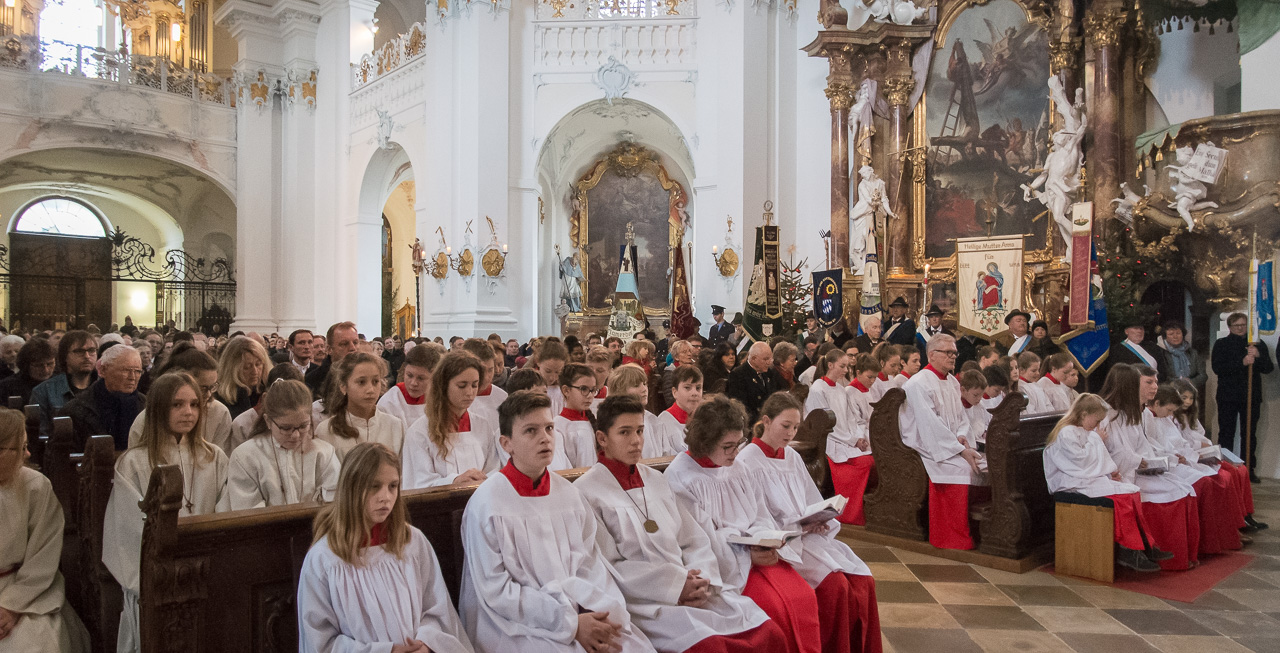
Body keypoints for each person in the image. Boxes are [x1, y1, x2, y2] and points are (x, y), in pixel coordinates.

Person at [576, 395, 787, 652]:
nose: (636, 440)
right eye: (625, 432)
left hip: (692, 590)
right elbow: (611, 566)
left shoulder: (656, 480)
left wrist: (701, 578)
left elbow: (693, 539)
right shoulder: (586, 492)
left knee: (768, 631)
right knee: (712, 646)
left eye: (640, 430)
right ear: (602, 438)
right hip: (648, 602)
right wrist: (676, 586)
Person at [459, 390, 655, 652]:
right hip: (516, 624)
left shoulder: (569, 494)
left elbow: (590, 563)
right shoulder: (487, 504)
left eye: (549, 428)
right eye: (531, 431)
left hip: (579, 612)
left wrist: (599, 613)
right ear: (506, 443)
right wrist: (569, 623)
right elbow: (496, 591)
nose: (545, 438)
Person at [665, 397, 823, 653]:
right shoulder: (681, 476)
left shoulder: (737, 467)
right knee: (773, 610)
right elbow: (697, 539)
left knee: (803, 597)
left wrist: (763, 539)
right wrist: (745, 553)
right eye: (727, 446)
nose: (736, 453)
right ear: (704, 442)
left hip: (755, 553)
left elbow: (759, 514)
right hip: (728, 566)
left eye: (738, 443)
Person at [737, 392, 882, 653]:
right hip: (785, 546)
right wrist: (798, 527)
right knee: (835, 587)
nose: (791, 433)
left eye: (795, 427)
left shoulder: (791, 456)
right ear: (766, 421)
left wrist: (818, 517)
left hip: (807, 537)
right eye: (785, 426)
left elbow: (809, 499)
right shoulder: (747, 461)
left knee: (862, 580)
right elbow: (757, 517)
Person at [298, 442, 474, 653]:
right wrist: (386, 651)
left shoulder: (411, 541)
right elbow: (320, 641)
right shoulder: (324, 558)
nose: (386, 497)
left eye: (393, 486)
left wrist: (427, 642)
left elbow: (436, 608)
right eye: (374, 486)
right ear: (351, 487)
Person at [104, 373, 229, 653]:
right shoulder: (134, 462)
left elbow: (227, 508)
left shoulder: (214, 456)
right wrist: (157, 572)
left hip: (205, 568)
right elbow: (126, 528)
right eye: (177, 405)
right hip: (154, 574)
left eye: (195, 404)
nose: (188, 412)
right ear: (159, 408)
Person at [0, 408, 91, 652]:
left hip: (26, 588)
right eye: (21, 448)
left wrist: (12, 606)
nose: (28, 454)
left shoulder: (35, 485)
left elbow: (45, 550)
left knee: (31, 643)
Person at [1043, 394, 1167, 572]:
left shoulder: (1086, 431)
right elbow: (1080, 462)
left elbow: (1093, 461)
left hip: (1085, 478)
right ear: (1084, 414)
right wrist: (1096, 440)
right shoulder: (1066, 432)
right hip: (1070, 482)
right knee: (1121, 499)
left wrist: (1110, 473)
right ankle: (1130, 551)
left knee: (1132, 492)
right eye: (1097, 419)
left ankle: (1146, 545)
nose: (1098, 425)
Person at [1098, 364, 1199, 570]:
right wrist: (1138, 461)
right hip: (1119, 473)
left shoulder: (1130, 413)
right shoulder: (1107, 414)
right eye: (1140, 384)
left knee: (1181, 486)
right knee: (1171, 491)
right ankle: (1140, 548)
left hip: (1135, 468)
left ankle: (1157, 547)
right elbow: (1115, 451)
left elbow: (1141, 444)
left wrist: (1152, 462)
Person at [899, 335, 987, 550]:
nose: (953, 356)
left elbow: (961, 418)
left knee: (983, 466)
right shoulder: (918, 383)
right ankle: (950, 536)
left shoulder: (952, 381)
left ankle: (980, 530)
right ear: (932, 355)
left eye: (954, 353)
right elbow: (929, 424)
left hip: (949, 443)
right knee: (963, 469)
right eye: (947, 352)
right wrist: (959, 449)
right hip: (924, 445)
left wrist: (962, 439)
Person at [1146, 384, 1246, 556]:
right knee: (1205, 483)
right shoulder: (1148, 418)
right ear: (1156, 404)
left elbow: (1178, 442)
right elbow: (1151, 447)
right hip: (1167, 465)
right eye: (1169, 410)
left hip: (1180, 460)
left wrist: (1183, 455)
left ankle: (1225, 535)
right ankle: (1207, 542)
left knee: (1218, 478)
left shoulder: (1163, 418)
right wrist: (1176, 457)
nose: (1171, 415)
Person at [1171, 379, 1267, 532]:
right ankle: (1234, 523)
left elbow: (1200, 434)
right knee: (1229, 474)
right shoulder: (1171, 417)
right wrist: (1199, 445)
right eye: (1184, 398)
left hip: (1200, 453)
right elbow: (1181, 442)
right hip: (1191, 456)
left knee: (1241, 470)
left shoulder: (1189, 415)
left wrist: (1205, 445)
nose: (1188, 402)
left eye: (1191, 398)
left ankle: (1245, 515)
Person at [227, 379, 340, 509]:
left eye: (303, 426)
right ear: (268, 421)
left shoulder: (324, 453)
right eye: (286, 428)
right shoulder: (245, 457)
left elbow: (334, 503)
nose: (296, 435)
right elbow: (247, 511)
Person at [402, 353, 501, 489]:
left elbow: (493, 469)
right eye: (462, 385)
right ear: (443, 386)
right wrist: (455, 481)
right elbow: (418, 482)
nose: (469, 392)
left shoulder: (482, 426)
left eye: (474, 385)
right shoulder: (419, 431)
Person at [128, 343, 235, 455]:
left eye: (212, 387)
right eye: (202, 388)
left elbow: (220, 459)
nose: (208, 394)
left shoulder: (219, 412)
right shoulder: (148, 417)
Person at [1211, 312, 1273, 482]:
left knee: (1249, 434)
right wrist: (1242, 362)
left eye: (1243, 325)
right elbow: (1218, 368)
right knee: (1226, 433)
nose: (1240, 328)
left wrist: (1258, 356)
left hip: (1251, 396)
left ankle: (1248, 468)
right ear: (1230, 327)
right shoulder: (1221, 344)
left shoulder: (1257, 344)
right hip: (1228, 395)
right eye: (1237, 325)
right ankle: (1225, 466)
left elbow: (1268, 369)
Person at [315, 353, 405, 462]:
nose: (370, 390)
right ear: (343, 387)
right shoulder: (327, 430)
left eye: (375, 381)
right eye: (361, 382)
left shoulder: (395, 426)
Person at [60, 344, 144, 452]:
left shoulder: (146, 406)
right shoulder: (76, 410)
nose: (132, 377)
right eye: (125, 370)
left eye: (138, 371)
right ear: (103, 370)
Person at [837, 353, 881, 525]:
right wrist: (862, 438)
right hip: (857, 439)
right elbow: (853, 421)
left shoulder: (868, 391)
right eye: (870, 377)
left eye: (875, 378)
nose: (872, 381)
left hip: (871, 435)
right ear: (858, 372)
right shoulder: (849, 392)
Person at [31, 330, 97, 440]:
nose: (87, 356)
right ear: (65, 356)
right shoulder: (44, 391)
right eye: (79, 351)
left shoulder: (105, 387)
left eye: (91, 350)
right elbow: (41, 436)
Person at [377, 343, 440, 432]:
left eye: (421, 378)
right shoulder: (390, 401)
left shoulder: (440, 399)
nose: (413, 383)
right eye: (409, 375)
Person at [606, 365, 664, 459]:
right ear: (619, 390)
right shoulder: (612, 422)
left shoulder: (653, 419)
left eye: (645, 384)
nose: (644, 390)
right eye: (636, 385)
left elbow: (664, 453)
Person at [554, 363, 601, 469]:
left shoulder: (592, 421)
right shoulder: (558, 425)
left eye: (593, 390)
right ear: (566, 390)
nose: (590, 395)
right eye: (583, 389)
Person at [214, 336, 272, 420]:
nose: (255, 371)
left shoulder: (268, 391)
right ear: (232, 369)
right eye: (247, 367)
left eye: (258, 364)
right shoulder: (220, 401)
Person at [651, 366, 703, 458]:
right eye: (687, 388)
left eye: (698, 388)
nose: (694, 393)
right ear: (675, 392)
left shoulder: (706, 419)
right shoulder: (664, 422)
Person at [724, 342, 781, 425]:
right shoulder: (738, 375)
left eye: (770, 359)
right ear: (753, 359)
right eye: (765, 359)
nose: (769, 362)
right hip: (752, 424)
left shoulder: (769, 373)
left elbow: (774, 396)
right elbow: (740, 406)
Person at [462, 339, 508, 427]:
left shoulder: (502, 397)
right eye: (481, 371)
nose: (486, 377)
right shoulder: (454, 397)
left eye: (490, 370)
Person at [306, 322, 359, 399]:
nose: (352, 348)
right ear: (329, 349)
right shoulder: (313, 381)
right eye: (344, 344)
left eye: (355, 342)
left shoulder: (369, 373)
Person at [0, 338, 56, 407]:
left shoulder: (60, 383)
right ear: (26, 365)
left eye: (50, 364)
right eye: (38, 365)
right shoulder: (7, 387)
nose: (46, 370)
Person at [532, 339, 570, 416]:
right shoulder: (530, 388)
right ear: (538, 362)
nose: (552, 378)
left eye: (558, 372)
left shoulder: (565, 391)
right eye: (548, 371)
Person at [584, 346, 614, 412]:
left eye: (600, 370)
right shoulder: (573, 395)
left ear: (610, 372)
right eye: (590, 369)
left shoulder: (612, 398)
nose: (593, 373)